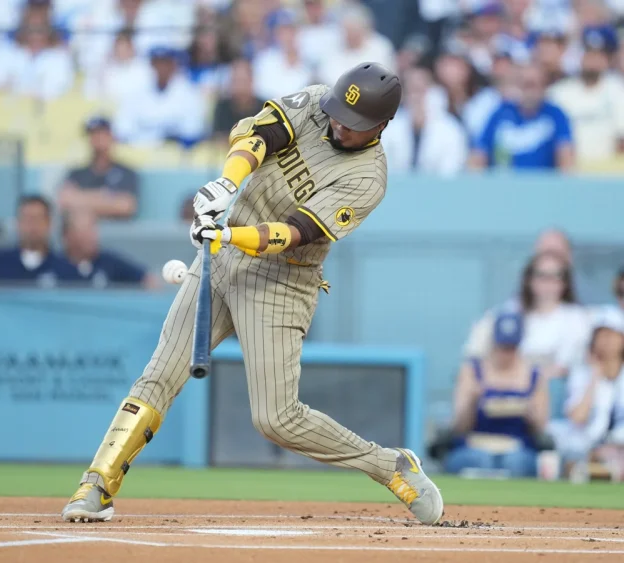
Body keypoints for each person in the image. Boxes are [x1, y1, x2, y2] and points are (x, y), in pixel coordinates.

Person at [61, 62, 444, 526]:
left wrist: (227, 238)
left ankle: (389, 465)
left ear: (382, 126)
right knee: (159, 374)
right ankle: (97, 483)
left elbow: (294, 232)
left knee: (276, 419)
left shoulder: (368, 178)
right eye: (340, 112)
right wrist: (226, 184)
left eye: (356, 122)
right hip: (221, 257)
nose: (341, 123)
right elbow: (260, 136)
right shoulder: (320, 103)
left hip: (281, 280)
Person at [447, 312, 548, 477]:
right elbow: (459, 427)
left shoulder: (534, 374)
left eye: (511, 348)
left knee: (517, 462)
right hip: (476, 444)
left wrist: (529, 412)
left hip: (516, 446)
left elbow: (541, 429)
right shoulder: (472, 371)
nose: (506, 354)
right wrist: (473, 401)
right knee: (477, 460)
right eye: (502, 347)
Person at [464, 251, 590, 381]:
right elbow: (476, 352)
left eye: (555, 276)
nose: (548, 283)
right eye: (541, 276)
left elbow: (562, 369)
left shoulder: (575, 317)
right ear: (529, 280)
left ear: (564, 282)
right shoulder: (511, 312)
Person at [549, 310, 624, 480]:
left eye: (612, 335)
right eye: (601, 335)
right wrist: (595, 377)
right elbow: (578, 417)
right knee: (574, 455)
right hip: (587, 449)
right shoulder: (582, 373)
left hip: (620, 448)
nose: (606, 341)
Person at [469, 63, 574, 171]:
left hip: (542, 183)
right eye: (525, 85)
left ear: (544, 87)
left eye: (533, 85)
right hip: (504, 182)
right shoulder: (501, 113)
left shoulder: (555, 115)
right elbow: (479, 153)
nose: (529, 91)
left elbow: (566, 156)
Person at [548, 26, 624, 166]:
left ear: (607, 59)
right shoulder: (559, 92)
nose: (592, 60)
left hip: (609, 170)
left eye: (599, 54)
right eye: (588, 53)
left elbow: (622, 140)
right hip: (570, 170)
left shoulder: (618, 90)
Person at [381, 65, 469, 175]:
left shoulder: (451, 129)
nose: (417, 97)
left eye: (421, 90)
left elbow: (451, 172)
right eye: (412, 91)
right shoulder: (390, 127)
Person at [0, 195, 72, 286]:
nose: (32, 226)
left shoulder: (66, 269)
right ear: (18, 223)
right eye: (27, 219)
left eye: (38, 219)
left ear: (49, 223)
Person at [58, 116, 139, 220]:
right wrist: (106, 197)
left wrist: (81, 198)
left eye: (102, 133)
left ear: (111, 136)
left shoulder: (126, 173)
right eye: (93, 134)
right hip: (82, 232)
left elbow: (125, 206)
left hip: (117, 233)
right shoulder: (77, 173)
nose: (98, 139)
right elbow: (65, 201)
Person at [58, 209, 154, 289]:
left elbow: (149, 280)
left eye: (93, 229)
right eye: (84, 231)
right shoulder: (53, 265)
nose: (92, 236)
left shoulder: (110, 262)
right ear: (67, 236)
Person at [212, 58, 264, 142]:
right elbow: (218, 138)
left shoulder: (265, 108)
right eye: (236, 81)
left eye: (243, 81)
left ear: (251, 81)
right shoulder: (222, 107)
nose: (240, 87)